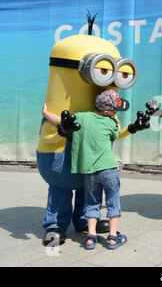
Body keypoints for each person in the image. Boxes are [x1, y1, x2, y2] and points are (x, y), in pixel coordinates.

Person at [43, 89, 128, 249]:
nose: (116, 111)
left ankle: (90, 237)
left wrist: (46, 113)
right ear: (107, 110)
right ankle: (112, 237)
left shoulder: (81, 117)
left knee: (91, 202)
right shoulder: (110, 122)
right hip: (108, 169)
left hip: (89, 172)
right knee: (112, 202)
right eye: (114, 109)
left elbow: (61, 121)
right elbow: (116, 133)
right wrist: (115, 118)